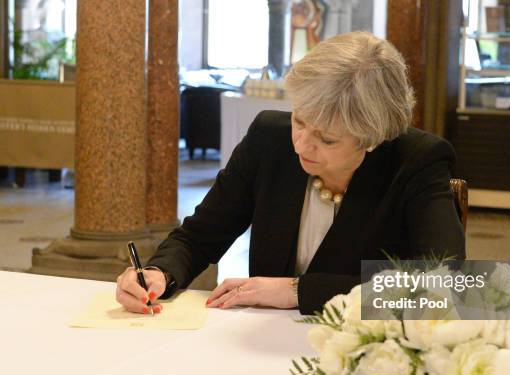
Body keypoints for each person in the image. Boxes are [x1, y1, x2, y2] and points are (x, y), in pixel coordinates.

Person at [115, 31, 466, 315]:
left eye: (327, 138)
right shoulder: (269, 138)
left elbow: (444, 281)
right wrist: (160, 273)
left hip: (364, 352)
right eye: (299, 119)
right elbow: (198, 236)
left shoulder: (416, 160)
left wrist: (298, 291)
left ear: (373, 137)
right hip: (261, 340)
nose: (301, 144)